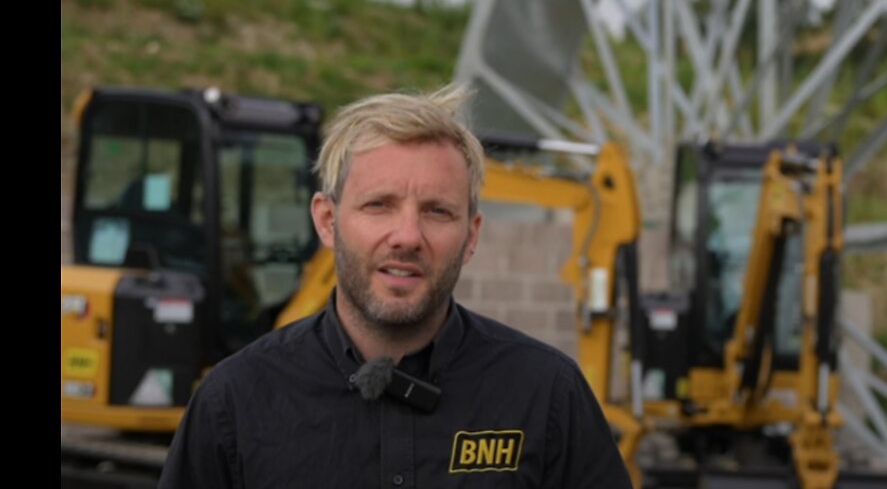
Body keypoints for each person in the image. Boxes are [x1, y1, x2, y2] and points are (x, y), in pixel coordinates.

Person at [160, 86, 631, 488]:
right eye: (379, 205)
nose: (407, 236)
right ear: (327, 221)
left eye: (437, 211)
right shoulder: (233, 403)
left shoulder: (547, 395)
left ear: (471, 234)